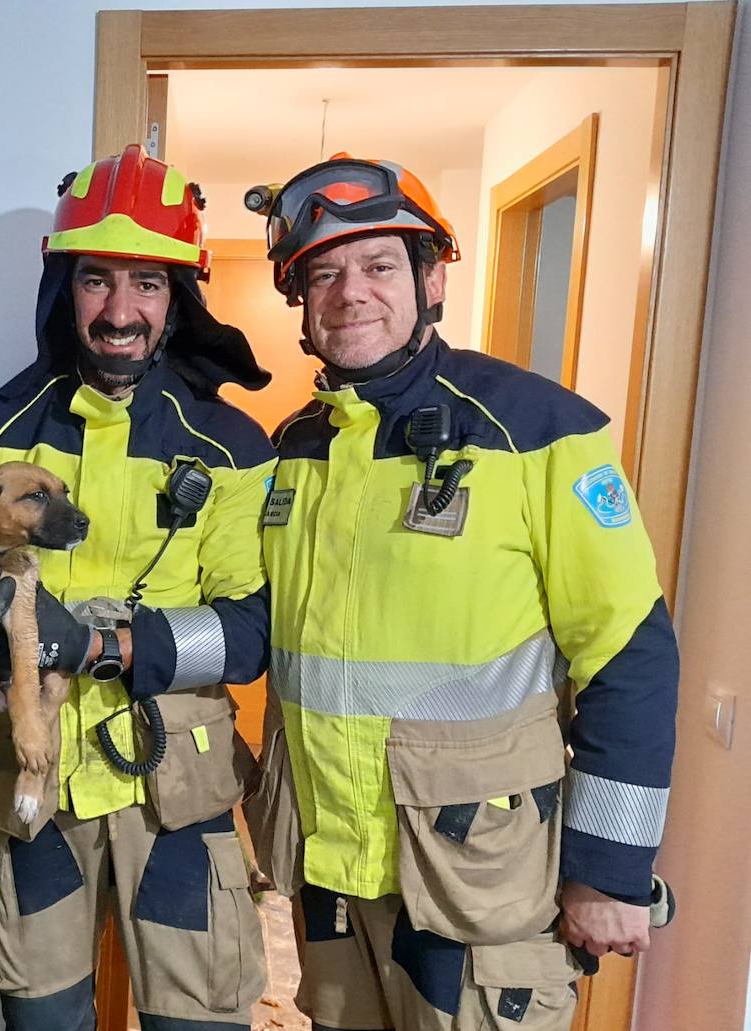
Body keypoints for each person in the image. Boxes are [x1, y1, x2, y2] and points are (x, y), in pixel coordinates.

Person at [253, 153, 679, 1029]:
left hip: (478, 877)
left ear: (431, 276)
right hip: (332, 868)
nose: (349, 293)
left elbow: (629, 651)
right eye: (323, 274)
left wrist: (611, 870)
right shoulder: (293, 446)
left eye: (378, 265)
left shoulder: (542, 430)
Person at [0, 144, 274, 1030]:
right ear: (62, 290)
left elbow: (246, 633)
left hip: (179, 794)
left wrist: (108, 648)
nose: (121, 311)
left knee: (199, 1018)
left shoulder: (234, 449)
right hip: (29, 790)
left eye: (146, 284)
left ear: (179, 297)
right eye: (96, 281)